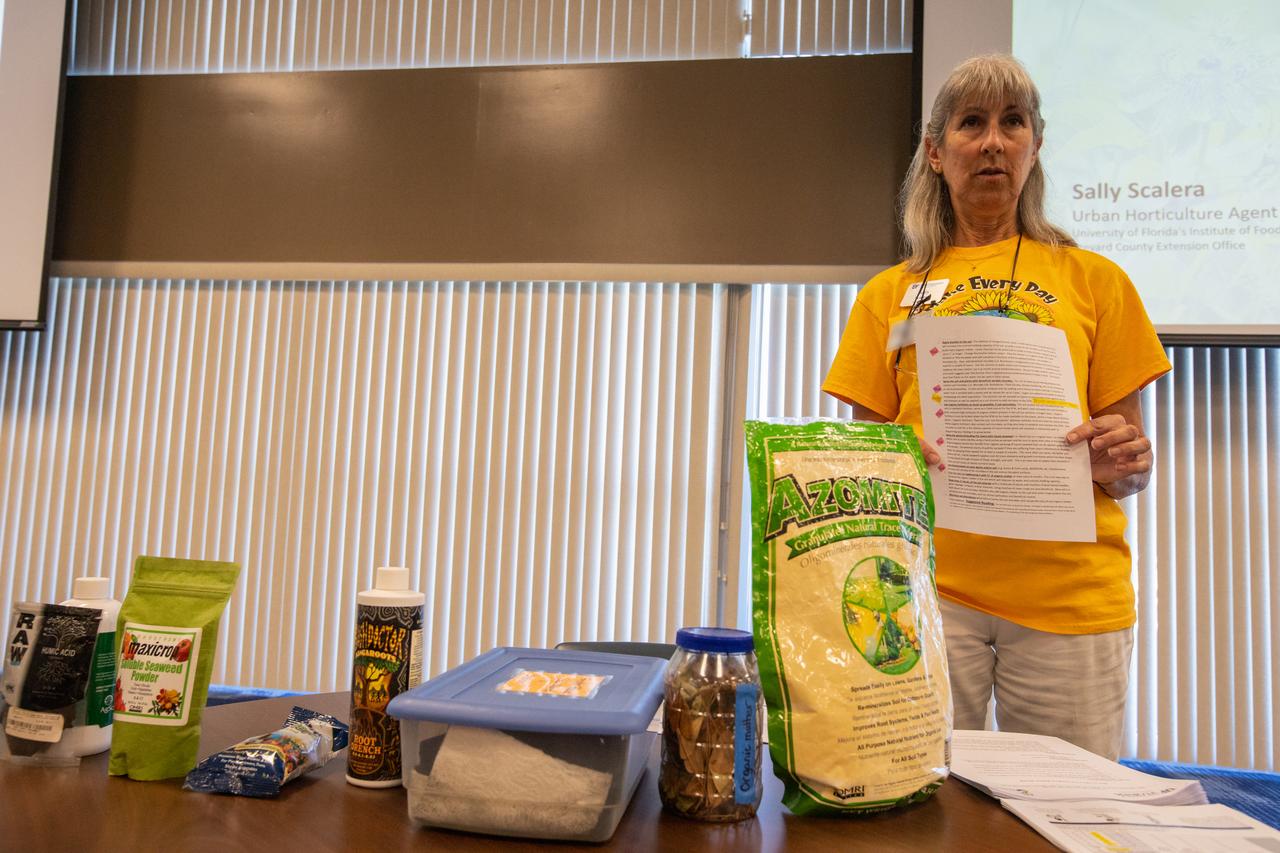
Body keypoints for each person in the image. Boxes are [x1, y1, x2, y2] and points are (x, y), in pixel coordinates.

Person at [822, 54, 1171, 759]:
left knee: (1069, 814)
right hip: (923, 597)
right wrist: (892, 458)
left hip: (1071, 607)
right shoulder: (889, 292)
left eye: (1012, 123)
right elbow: (865, 459)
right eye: (971, 123)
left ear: (1034, 147)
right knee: (923, 806)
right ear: (935, 149)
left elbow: (1128, 464)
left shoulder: (1097, 280)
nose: (991, 142)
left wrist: (1125, 459)